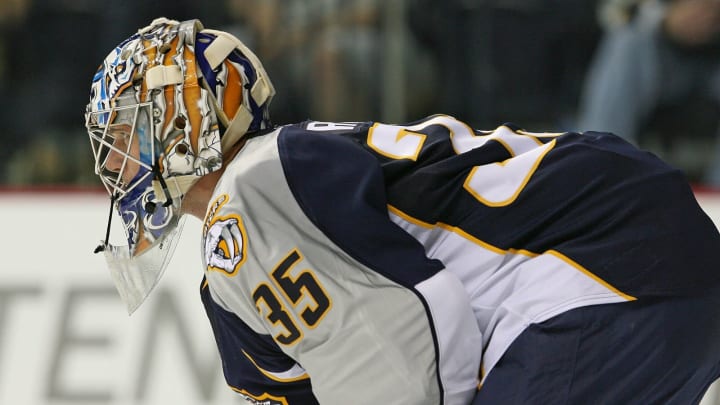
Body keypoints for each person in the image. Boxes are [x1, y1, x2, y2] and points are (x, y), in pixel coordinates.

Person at [84, 18, 720, 404]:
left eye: (126, 131)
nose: (112, 162)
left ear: (187, 123)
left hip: (600, 271)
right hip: (630, 254)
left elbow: (413, 344)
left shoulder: (248, 194)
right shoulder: (253, 232)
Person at [576, 0, 720, 185]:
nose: (704, 19)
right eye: (698, 8)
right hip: (636, 168)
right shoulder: (635, 40)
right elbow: (604, 126)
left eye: (714, 13)